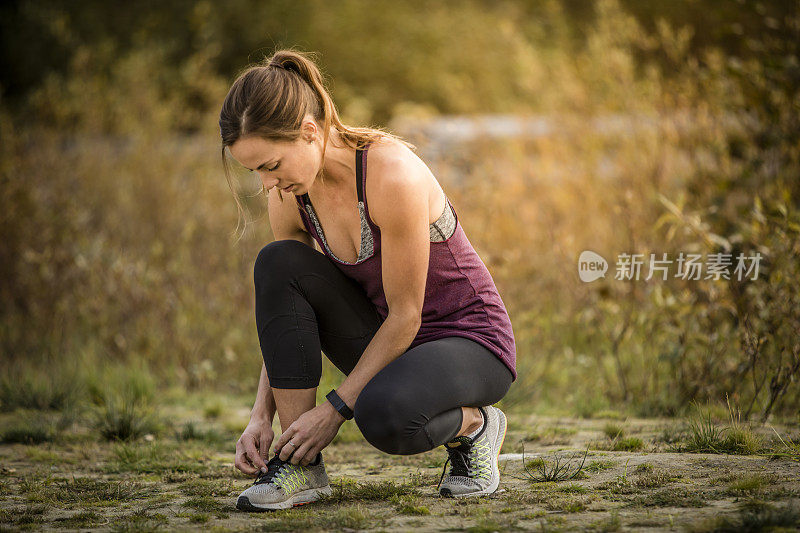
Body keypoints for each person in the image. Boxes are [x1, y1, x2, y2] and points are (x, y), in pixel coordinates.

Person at [218, 49, 517, 512]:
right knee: (277, 262)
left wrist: (334, 411)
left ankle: (475, 426)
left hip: (469, 340)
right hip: (390, 339)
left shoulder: (390, 174)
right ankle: (300, 464)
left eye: (271, 165)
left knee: (382, 415)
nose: (266, 184)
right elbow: (287, 314)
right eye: (254, 170)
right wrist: (262, 416)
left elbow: (407, 315)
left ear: (309, 132)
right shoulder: (290, 193)